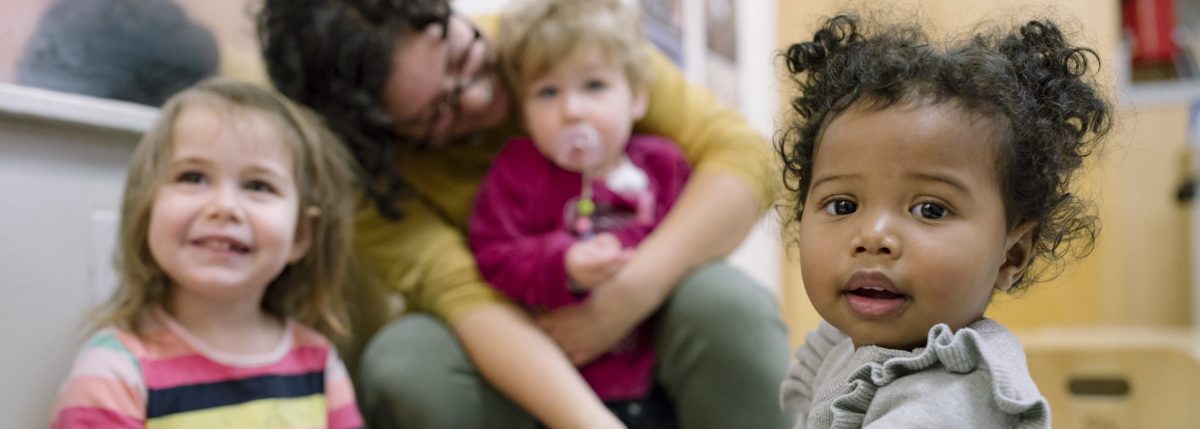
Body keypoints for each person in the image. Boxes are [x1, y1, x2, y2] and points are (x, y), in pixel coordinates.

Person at [256, 0, 793, 428]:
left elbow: (745, 159)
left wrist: (623, 300)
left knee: (725, 302)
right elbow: (465, 296)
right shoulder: (368, 180)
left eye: (463, 59)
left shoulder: (561, 44)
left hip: (644, 307)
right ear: (377, 134)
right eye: (434, 114)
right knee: (407, 361)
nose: (477, 97)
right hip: (514, 339)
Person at [775, 14, 1113, 428]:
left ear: (1012, 255)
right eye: (843, 205)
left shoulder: (949, 400)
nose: (873, 236)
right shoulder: (845, 347)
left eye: (930, 210)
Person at [49, 79, 364, 429]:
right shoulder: (114, 371)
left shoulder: (319, 364)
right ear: (147, 208)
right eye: (193, 177)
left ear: (302, 235)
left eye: (258, 186)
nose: (224, 207)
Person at [469, 1, 690, 427]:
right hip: (555, 389)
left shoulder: (663, 167)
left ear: (638, 96)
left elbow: (691, 249)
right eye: (547, 92)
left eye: (593, 86)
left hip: (655, 378)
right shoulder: (517, 170)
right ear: (523, 110)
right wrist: (563, 263)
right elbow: (492, 254)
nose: (571, 110)